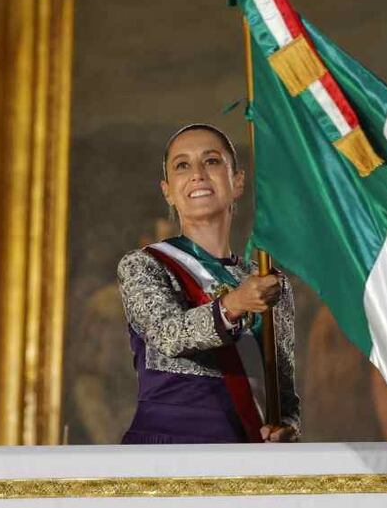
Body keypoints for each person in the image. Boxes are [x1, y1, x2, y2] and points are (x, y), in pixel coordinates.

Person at [116, 123, 300, 444]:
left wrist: (287, 425)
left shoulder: (268, 283)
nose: (197, 173)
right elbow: (168, 336)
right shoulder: (144, 265)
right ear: (168, 191)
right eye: (182, 166)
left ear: (238, 182)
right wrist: (233, 305)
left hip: (248, 455)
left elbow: (282, 387)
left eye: (212, 161)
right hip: (168, 454)